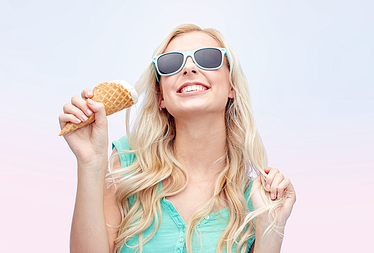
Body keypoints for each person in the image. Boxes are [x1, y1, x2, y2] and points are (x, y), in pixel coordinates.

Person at [59, 24, 296, 253]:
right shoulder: (127, 166)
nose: (189, 69)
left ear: (231, 85)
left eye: (209, 58)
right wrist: (90, 162)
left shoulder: (254, 199)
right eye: (171, 63)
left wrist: (271, 229)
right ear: (161, 96)